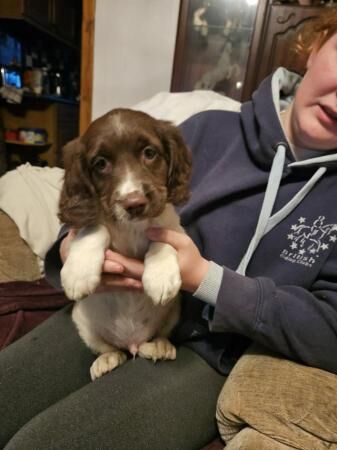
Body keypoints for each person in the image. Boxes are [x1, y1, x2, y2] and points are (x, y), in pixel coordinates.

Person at [1, 7, 337, 449]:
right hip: (111, 309)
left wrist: (209, 281)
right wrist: (74, 244)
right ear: (315, 46)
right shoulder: (204, 131)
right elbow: (90, 202)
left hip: (211, 355)